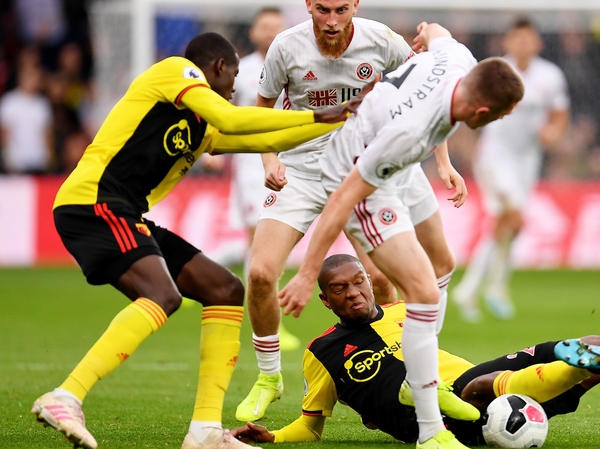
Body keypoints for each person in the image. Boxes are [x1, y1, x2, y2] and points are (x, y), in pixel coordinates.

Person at [31, 31, 360, 449]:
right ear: (218, 67)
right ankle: (66, 396)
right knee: (161, 295)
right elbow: (235, 120)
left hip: (125, 212)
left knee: (223, 289)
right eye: (235, 74)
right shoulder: (175, 72)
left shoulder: (203, 125)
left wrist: (341, 120)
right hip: (93, 201)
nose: (236, 86)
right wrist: (320, 117)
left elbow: (267, 138)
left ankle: (204, 431)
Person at [278, 22, 524, 449]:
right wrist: (306, 273)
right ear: (483, 113)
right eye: (500, 117)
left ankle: (419, 373)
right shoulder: (410, 133)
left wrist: (426, 32)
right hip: (355, 173)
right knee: (424, 293)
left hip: (395, 162)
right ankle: (430, 429)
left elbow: (437, 33)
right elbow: (341, 199)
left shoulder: (457, 60)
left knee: (443, 263)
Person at [232, 254, 600, 446]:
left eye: (358, 284)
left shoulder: (404, 312)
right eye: (341, 290)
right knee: (484, 390)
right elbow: (311, 425)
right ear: (324, 300)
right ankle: (567, 365)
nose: (353, 293)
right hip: (443, 418)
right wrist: (273, 438)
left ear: (370, 285)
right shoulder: (323, 350)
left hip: (476, 382)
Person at [238, 0, 468, 424]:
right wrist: (270, 161)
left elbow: (426, 93)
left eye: (340, 9)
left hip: (362, 168)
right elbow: (261, 111)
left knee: (381, 281)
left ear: (355, 6)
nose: (330, 20)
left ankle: (405, 377)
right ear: (307, 4)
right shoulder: (285, 48)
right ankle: (269, 377)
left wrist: (443, 162)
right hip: (301, 171)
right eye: (322, 9)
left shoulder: (382, 40)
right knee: (260, 274)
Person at [453, 19, 569, 322]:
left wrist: (553, 133)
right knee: (513, 219)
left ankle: (478, 288)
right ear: (507, 42)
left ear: (537, 43)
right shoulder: (494, 72)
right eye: (517, 39)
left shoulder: (550, 76)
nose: (523, 45)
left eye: (528, 39)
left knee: (507, 226)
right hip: (495, 158)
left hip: (527, 162)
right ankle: (491, 287)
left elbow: (559, 115)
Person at [227, 7, 301, 352]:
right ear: (253, 32)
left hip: (287, 161)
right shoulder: (241, 72)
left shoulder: (297, 63)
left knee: (259, 238)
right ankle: (267, 319)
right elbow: (225, 111)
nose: (271, 32)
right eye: (264, 26)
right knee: (259, 236)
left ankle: (255, 310)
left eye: (277, 26)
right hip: (249, 165)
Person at [0, 63, 54, 174]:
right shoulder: (9, 102)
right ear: (20, 77)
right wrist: (8, 159)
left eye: (35, 77)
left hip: (39, 162)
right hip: (17, 164)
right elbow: (4, 134)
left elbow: (47, 135)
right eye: (29, 76)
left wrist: (49, 159)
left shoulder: (42, 104)